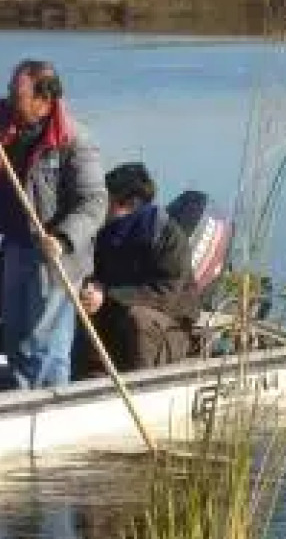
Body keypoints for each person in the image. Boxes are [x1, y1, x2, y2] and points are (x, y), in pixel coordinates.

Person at [0, 52, 106, 389]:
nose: (12, 101)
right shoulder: (3, 119)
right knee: (15, 336)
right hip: (17, 245)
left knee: (44, 343)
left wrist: (61, 237)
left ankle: (48, 407)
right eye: (11, 93)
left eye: (20, 96)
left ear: (45, 100)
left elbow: (94, 202)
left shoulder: (74, 140)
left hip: (57, 257)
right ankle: (20, 402)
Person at [74, 162, 199, 378]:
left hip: (170, 327)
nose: (99, 204)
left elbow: (165, 294)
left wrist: (107, 294)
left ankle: (141, 385)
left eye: (106, 199)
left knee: (138, 318)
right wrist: (88, 288)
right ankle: (84, 376)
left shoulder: (168, 237)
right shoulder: (104, 232)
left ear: (130, 203)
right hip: (116, 317)